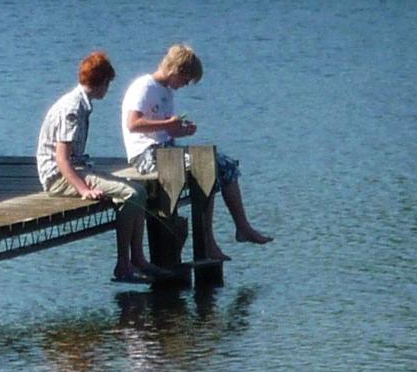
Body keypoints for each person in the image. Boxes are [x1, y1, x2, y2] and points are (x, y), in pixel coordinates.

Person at [120, 43, 273, 259]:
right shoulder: (144, 86)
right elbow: (133, 124)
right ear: (176, 70)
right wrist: (168, 124)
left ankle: (240, 228)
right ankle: (209, 242)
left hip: (166, 150)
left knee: (224, 165)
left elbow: (164, 130)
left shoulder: (166, 91)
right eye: (185, 79)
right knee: (207, 167)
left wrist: (181, 130)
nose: (185, 85)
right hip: (145, 155)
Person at [37, 51, 170, 284]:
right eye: (108, 83)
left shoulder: (80, 103)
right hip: (58, 177)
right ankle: (123, 264)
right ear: (102, 82)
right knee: (132, 194)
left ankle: (137, 258)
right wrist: (83, 190)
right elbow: (62, 160)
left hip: (77, 169)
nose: (108, 89)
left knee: (139, 190)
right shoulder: (72, 109)